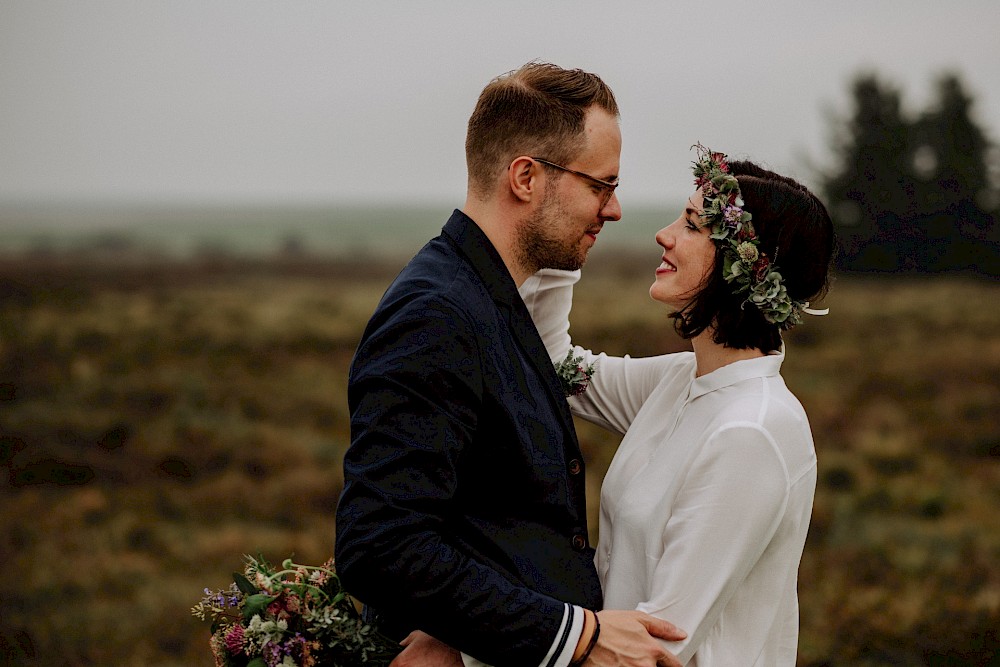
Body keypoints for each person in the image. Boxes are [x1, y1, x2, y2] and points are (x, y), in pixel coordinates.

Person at [334, 62, 685, 667]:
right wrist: (578, 635)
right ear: (525, 177)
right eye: (601, 185)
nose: (616, 208)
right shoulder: (436, 315)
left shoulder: (492, 295)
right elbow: (380, 543)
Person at [519, 144, 835, 665]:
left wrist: (473, 653)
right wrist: (558, 244)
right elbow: (554, 365)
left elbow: (658, 644)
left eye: (691, 224)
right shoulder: (681, 381)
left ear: (743, 268)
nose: (664, 234)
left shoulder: (751, 432)